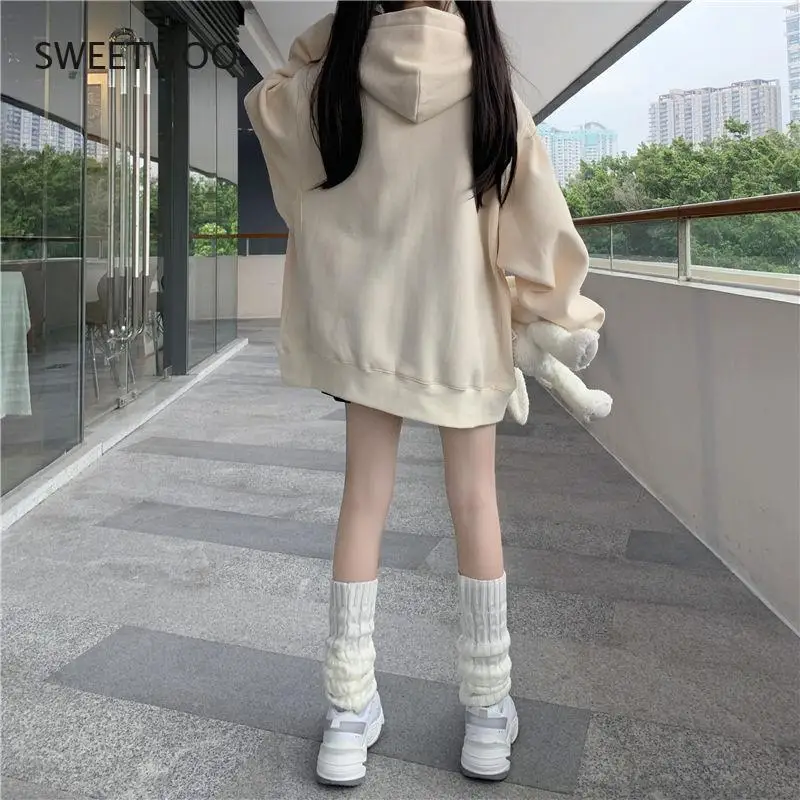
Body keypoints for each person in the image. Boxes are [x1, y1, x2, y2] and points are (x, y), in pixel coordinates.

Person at [244, 0, 605, 787]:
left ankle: (347, 716)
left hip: (367, 337)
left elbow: (265, 100)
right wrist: (559, 315)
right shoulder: (495, 95)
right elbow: (541, 231)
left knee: (362, 502)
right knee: (475, 505)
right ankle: (487, 713)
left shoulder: (331, 86)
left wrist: (332, 32)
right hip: (461, 334)